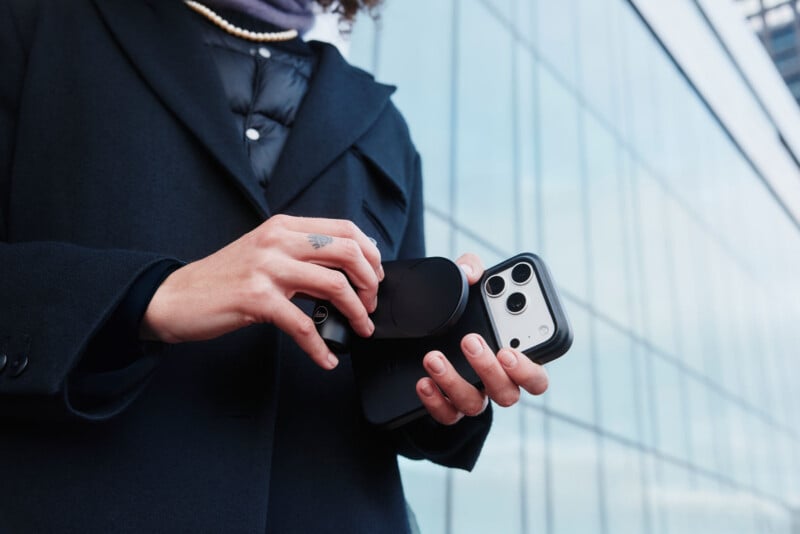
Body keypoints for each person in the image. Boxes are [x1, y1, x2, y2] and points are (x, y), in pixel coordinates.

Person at [0, 0, 549, 532]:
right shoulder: (38, 22)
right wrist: (155, 297)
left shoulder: (385, 125)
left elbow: (380, 374)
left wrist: (446, 393)